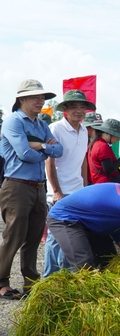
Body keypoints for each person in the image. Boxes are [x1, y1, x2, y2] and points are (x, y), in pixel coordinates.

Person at [0, 79, 63, 299]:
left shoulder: (41, 124)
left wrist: (41, 146)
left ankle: (30, 284)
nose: (41, 101)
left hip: (38, 187)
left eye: (42, 97)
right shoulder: (13, 122)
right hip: (16, 186)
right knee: (14, 237)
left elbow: (59, 150)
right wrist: (46, 149)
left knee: (34, 238)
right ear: (22, 99)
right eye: (35, 97)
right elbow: (24, 154)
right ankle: (2, 283)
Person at [43, 90, 94, 278]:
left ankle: (61, 279)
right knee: (57, 238)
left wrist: (85, 188)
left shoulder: (83, 132)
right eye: (74, 107)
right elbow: (50, 161)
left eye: (82, 107)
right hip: (59, 193)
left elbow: (82, 162)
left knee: (69, 238)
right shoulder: (56, 129)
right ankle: (49, 280)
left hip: (77, 192)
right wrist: (56, 191)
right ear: (65, 108)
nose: (79, 110)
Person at [88, 118, 120, 184]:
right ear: (109, 133)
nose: (117, 139)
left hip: (99, 183)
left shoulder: (96, 143)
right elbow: (108, 170)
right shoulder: (103, 146)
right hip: (106, 184)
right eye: (117, 136)